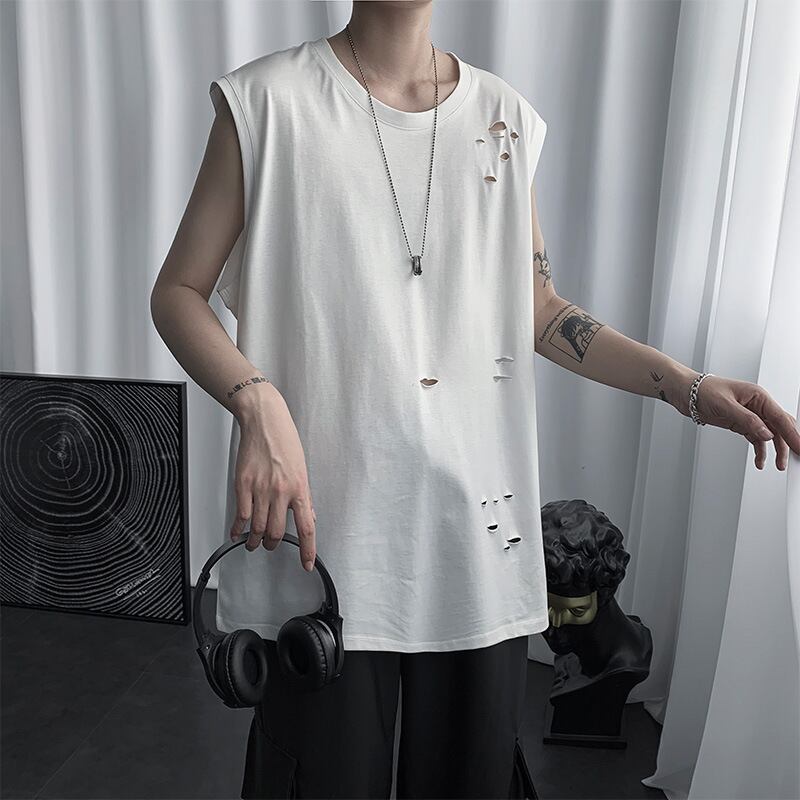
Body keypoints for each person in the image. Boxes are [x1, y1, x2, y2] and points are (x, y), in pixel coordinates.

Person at [150, 2, 800, 798]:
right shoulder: (265, 103)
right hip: (323, 541)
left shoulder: (504, 118)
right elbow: (178, 292)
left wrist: (688, 387)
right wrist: (258, 403)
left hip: (475, 547)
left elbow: (539, 310)